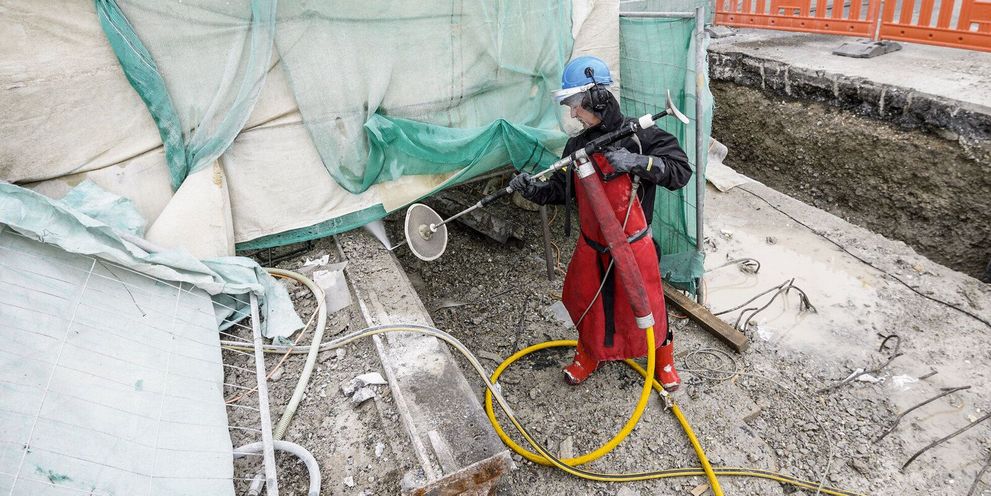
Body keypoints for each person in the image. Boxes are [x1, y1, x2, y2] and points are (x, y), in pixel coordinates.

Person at [510, 55, 692, 391]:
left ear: (596, 98)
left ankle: (663, 360)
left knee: (648, 303)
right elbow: (563, 190)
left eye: (575, 104)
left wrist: (637, 161)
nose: (572, 112)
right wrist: (534, 190)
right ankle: (589, 353)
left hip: (635, 246)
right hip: (593, 248)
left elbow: (681, 172)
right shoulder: (578, 145)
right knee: (589, 304)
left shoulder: (642, 136)